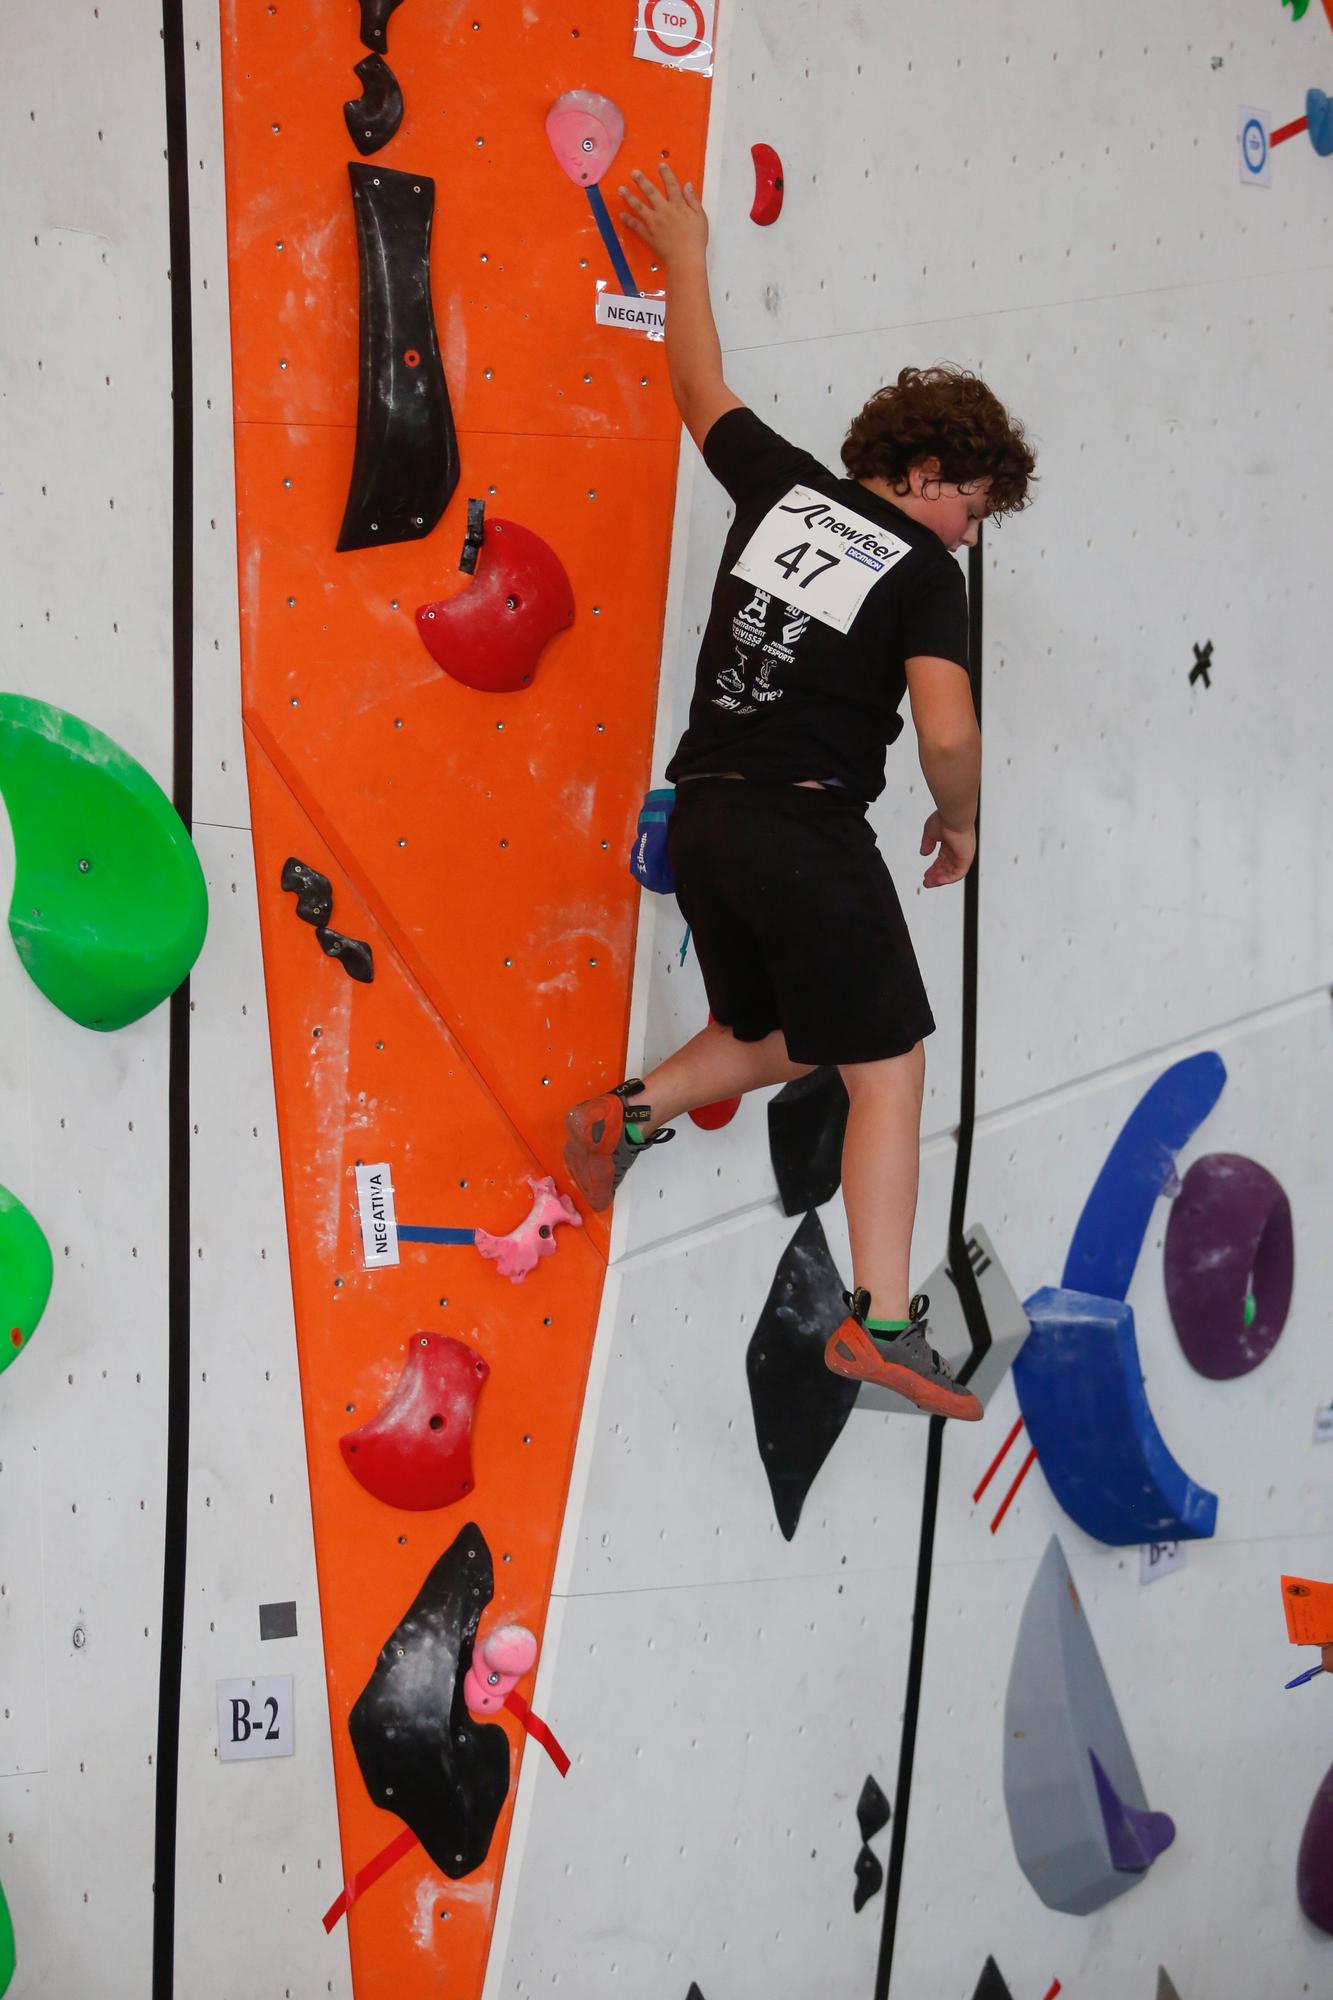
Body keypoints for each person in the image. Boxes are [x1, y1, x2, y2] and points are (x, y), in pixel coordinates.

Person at [564, 162, 1036, 1422]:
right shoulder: (926, 574)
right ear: (932, 471)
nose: (970, 538)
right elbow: (946, 730)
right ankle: (879, 1321)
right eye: (973, 508)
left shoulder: (780, 486)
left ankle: (626, 1112)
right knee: (891, 1063)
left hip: (709, 812)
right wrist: (962, 815)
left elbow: (696, 383)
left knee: (788, 1029)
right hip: (805, 825)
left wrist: (686, 251)